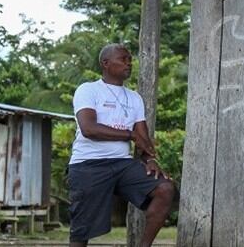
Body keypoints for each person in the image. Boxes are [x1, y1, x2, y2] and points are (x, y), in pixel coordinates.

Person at [67, 44, 177, 247]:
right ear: (105, 64)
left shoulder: (134, 98)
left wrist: (149, 158)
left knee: (165, 188)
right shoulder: (88, 90)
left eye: (130, 59)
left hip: (123, 164)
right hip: (88, 165)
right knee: (81, 231)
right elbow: (89, 129)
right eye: (123, 59)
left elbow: (142, 139)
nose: (129, 63)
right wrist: (130, 135)